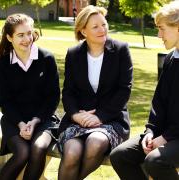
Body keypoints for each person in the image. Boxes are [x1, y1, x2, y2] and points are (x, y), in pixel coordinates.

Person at [57, 5, 133, 180]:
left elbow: (124, 90)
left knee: (95, 143)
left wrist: (100, 117)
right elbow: (68, 91)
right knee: (72, 152)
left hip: (111, 120)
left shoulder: (121, 50)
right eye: (95, 26)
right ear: (83, 31)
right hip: (78, 120)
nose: (102, 29)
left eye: (104, 24)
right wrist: (75, 115)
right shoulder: (74, 53)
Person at [110, 1, 179, 180]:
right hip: (166, 134)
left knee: (155, 161)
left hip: (173, 136)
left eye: (162, 29)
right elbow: (159, 102)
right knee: (120, 156)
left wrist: (165, 137)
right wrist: (151, 132)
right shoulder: (171, 58)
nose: (158, 35)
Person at [0, 13, 60, 180]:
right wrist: (20, 124)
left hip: (43, 118)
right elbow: (4, 101)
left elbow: (53, 97)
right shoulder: (3, 64)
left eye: (29, 33)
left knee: (39, 148)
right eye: (20, 35)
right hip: (14, 119)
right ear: (9, 37)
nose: (27, 39)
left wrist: (34, 121)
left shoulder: (46, 58)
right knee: (22, 153)